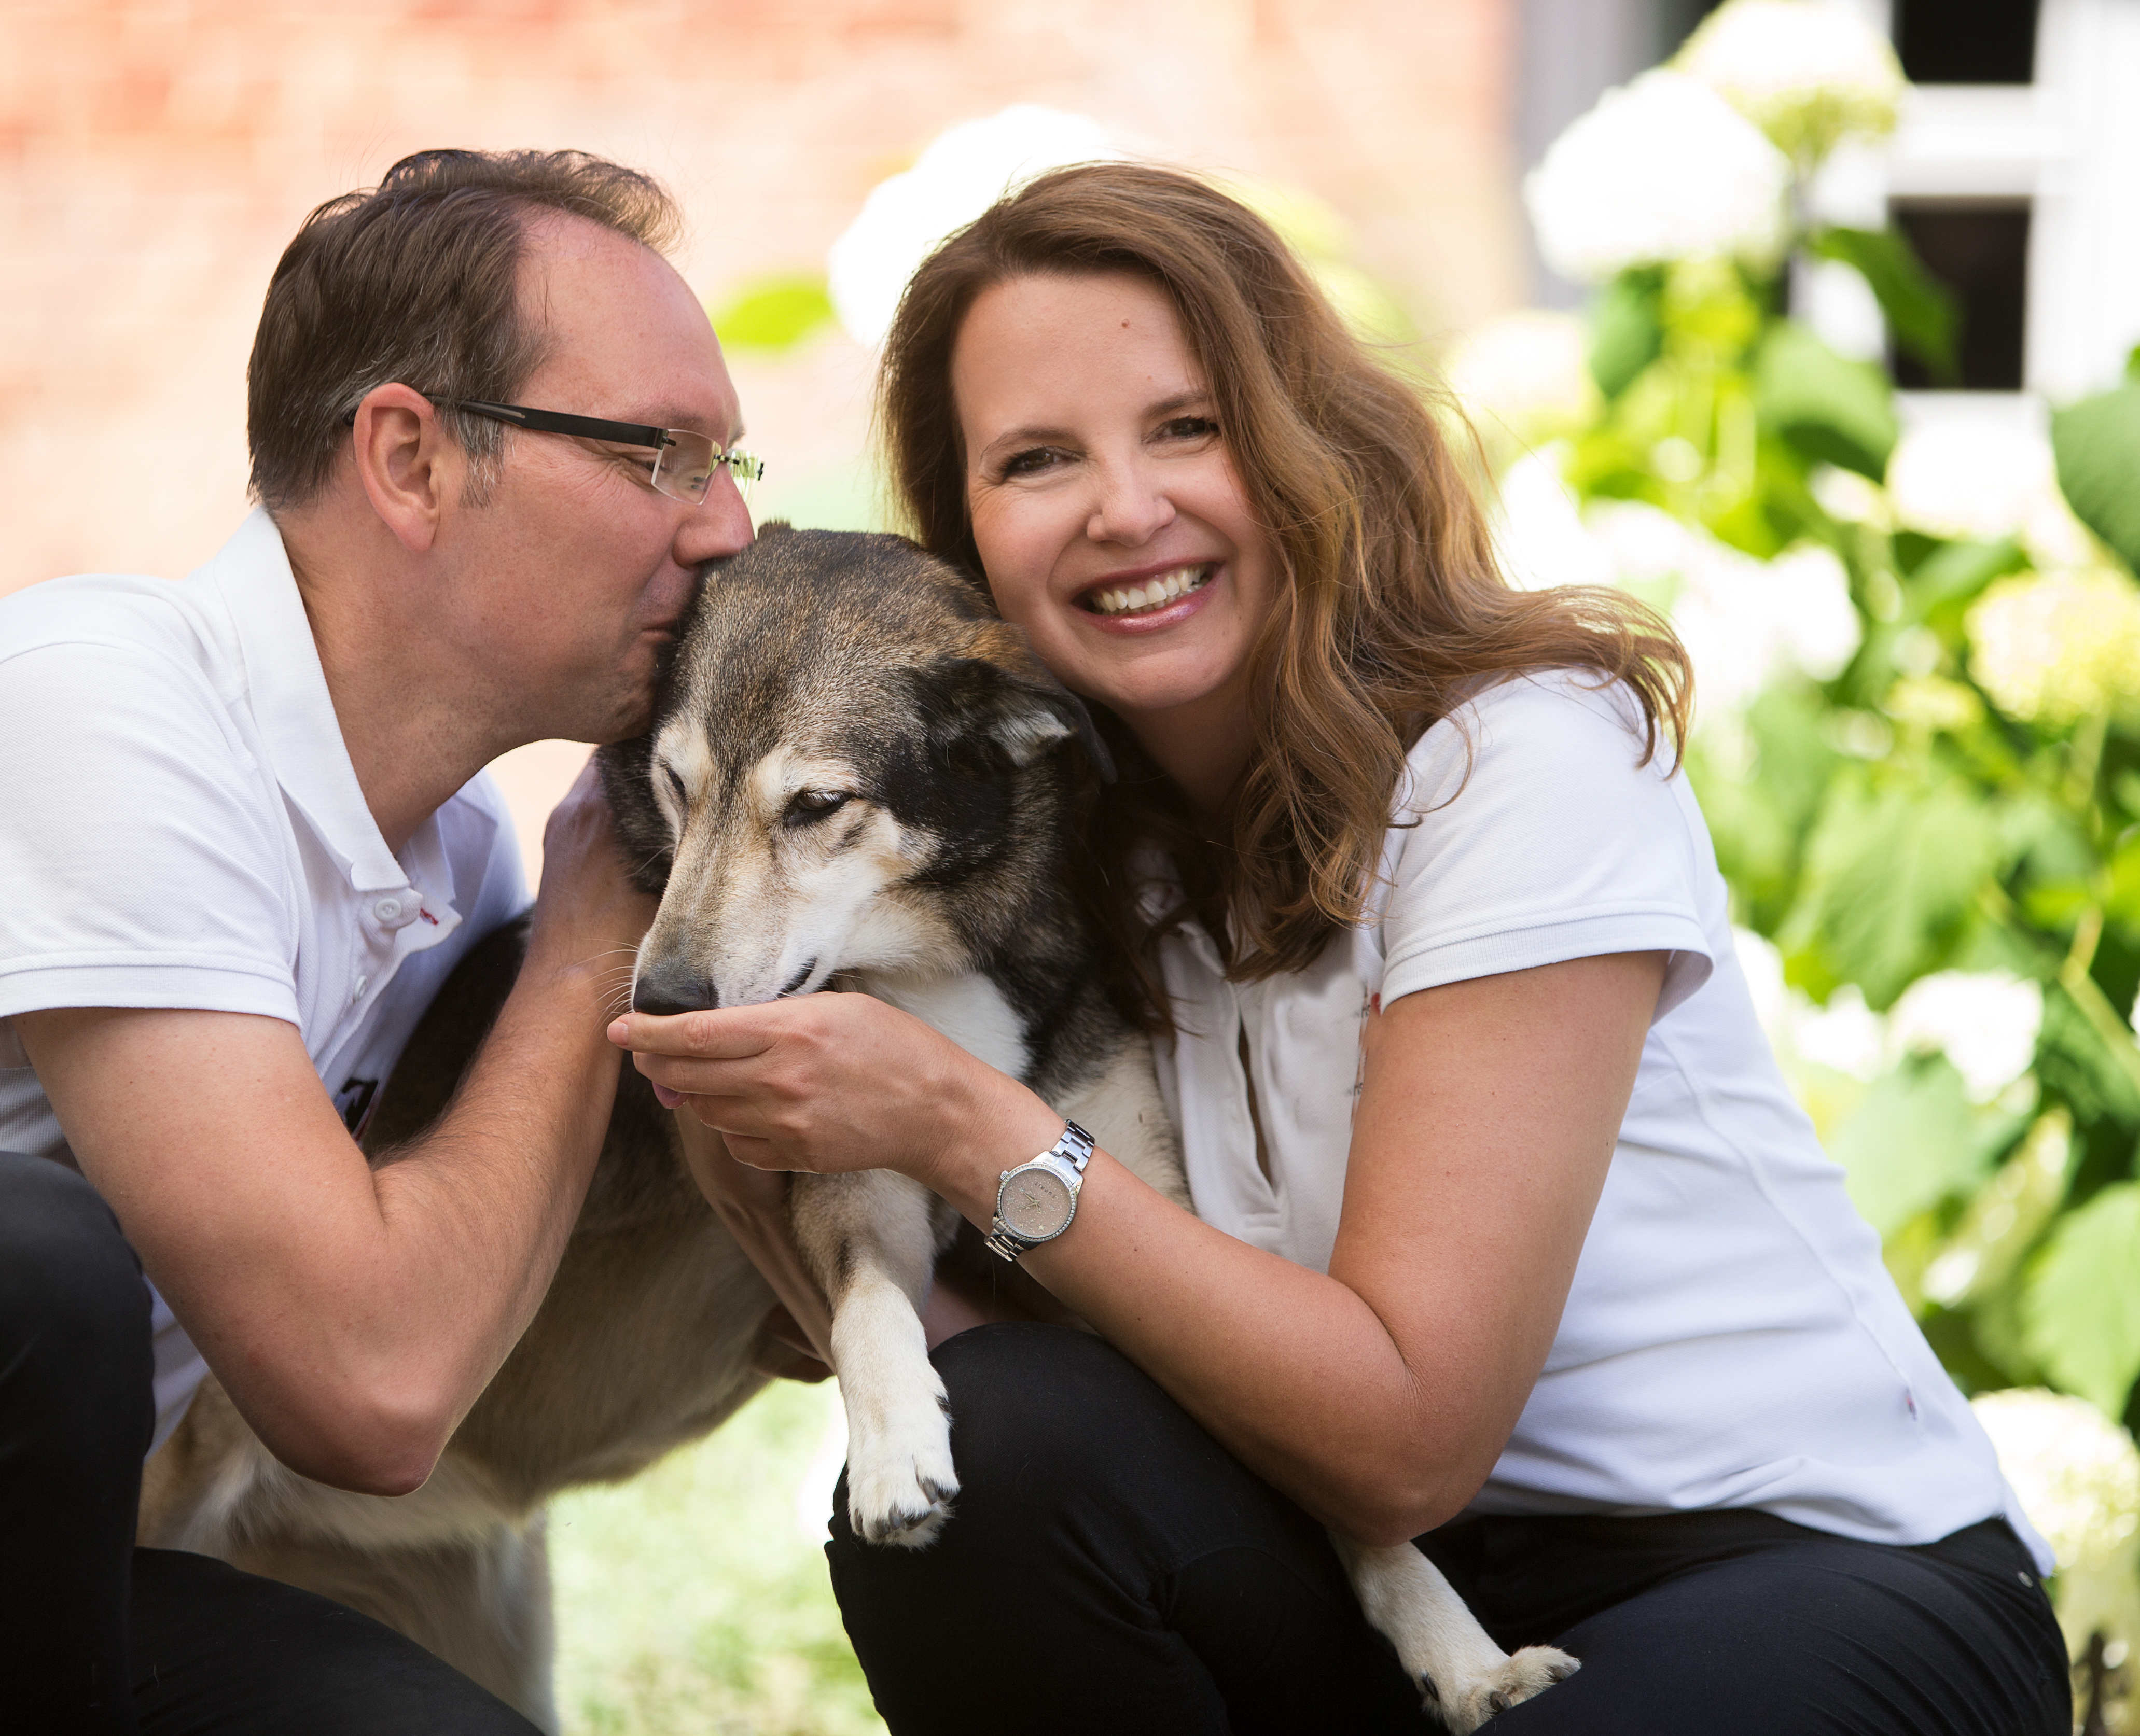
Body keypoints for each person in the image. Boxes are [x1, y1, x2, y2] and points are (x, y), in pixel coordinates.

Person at [612, 161, 2074, 1734]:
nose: (1124, 505)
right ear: (968, 529)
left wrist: (963, 1125)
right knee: (1008, 1459)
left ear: (1301, 444)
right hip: (1392, 1586)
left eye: (1189, 426)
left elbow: (1409, 1442)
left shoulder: (1517, 765)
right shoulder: (1042, 838)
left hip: (1791, 1566)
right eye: (1038, 457)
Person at [0, 147, 756, 1733]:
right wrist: (591, 941)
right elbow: (372, 1388)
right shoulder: (99, 717)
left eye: (730, 462)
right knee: (7, 1261)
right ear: (411, 459)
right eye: (660, 455)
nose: (729, 529)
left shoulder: (449, 859)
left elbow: (480, 1313)